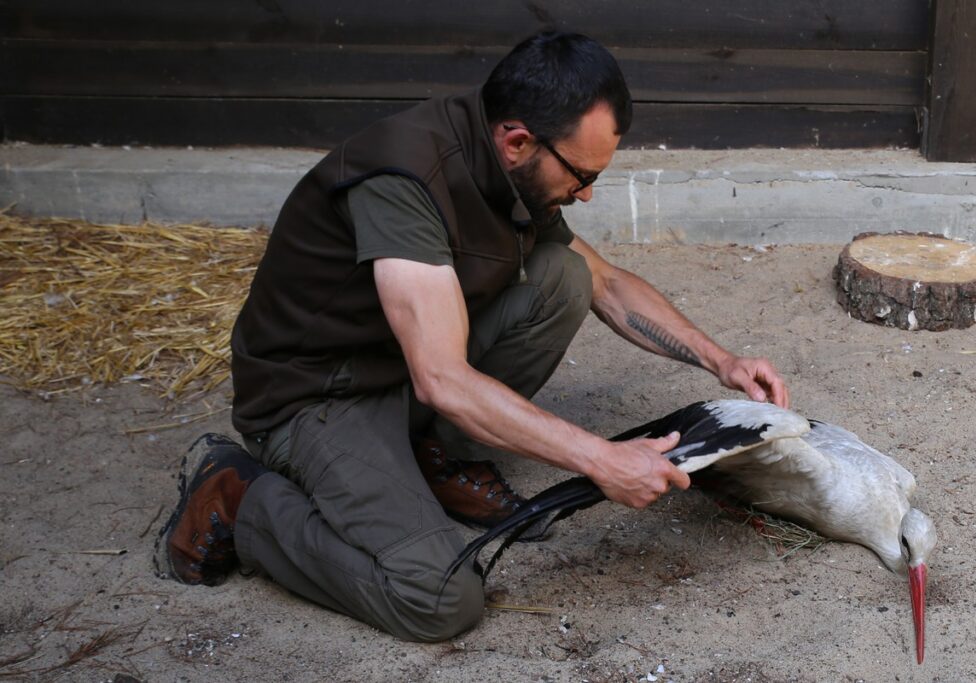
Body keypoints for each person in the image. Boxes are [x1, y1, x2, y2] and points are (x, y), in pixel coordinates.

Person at [154, 31, 789, 642]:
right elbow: (442, 378)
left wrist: (722, 361)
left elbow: (605, 284)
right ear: (517, 141)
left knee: (561, 275)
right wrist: (602, 459)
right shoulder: (404, 179)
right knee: (436, 598)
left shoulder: (505, 163)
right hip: (315, 400)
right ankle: (242, 502)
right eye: (580, 174)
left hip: (392, 372)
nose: (587, 194)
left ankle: (431, 457)